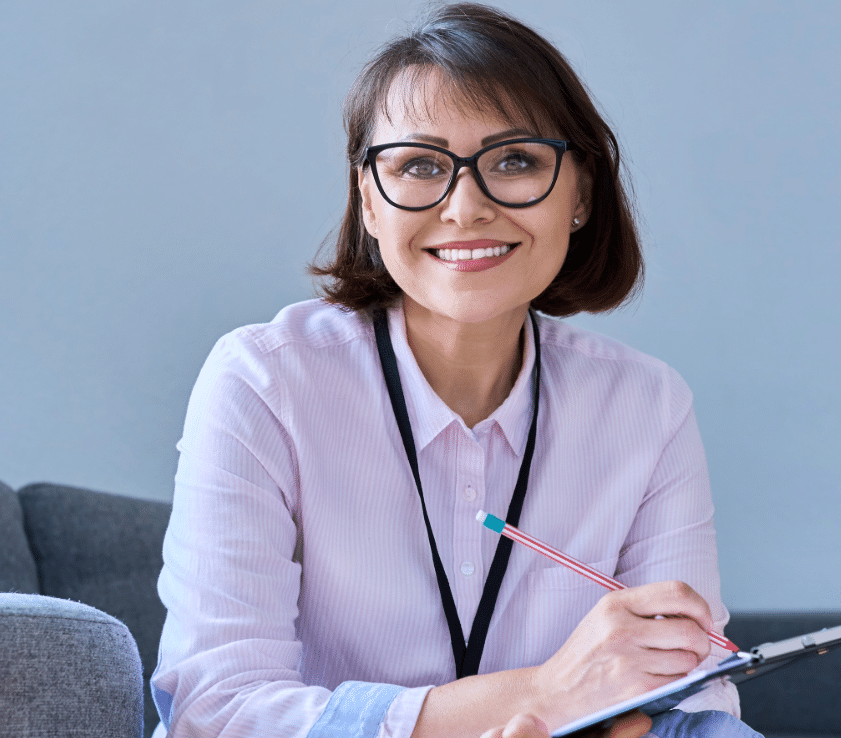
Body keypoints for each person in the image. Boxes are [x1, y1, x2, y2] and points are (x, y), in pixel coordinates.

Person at [150, 4, 762, 738]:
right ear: (369, 201)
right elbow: (218, 712)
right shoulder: (265, 383)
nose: (466, 207)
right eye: (418, 165)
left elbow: (694, 702)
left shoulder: (645, 407)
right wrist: (551, 692)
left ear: (581, 196)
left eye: (515, 160)